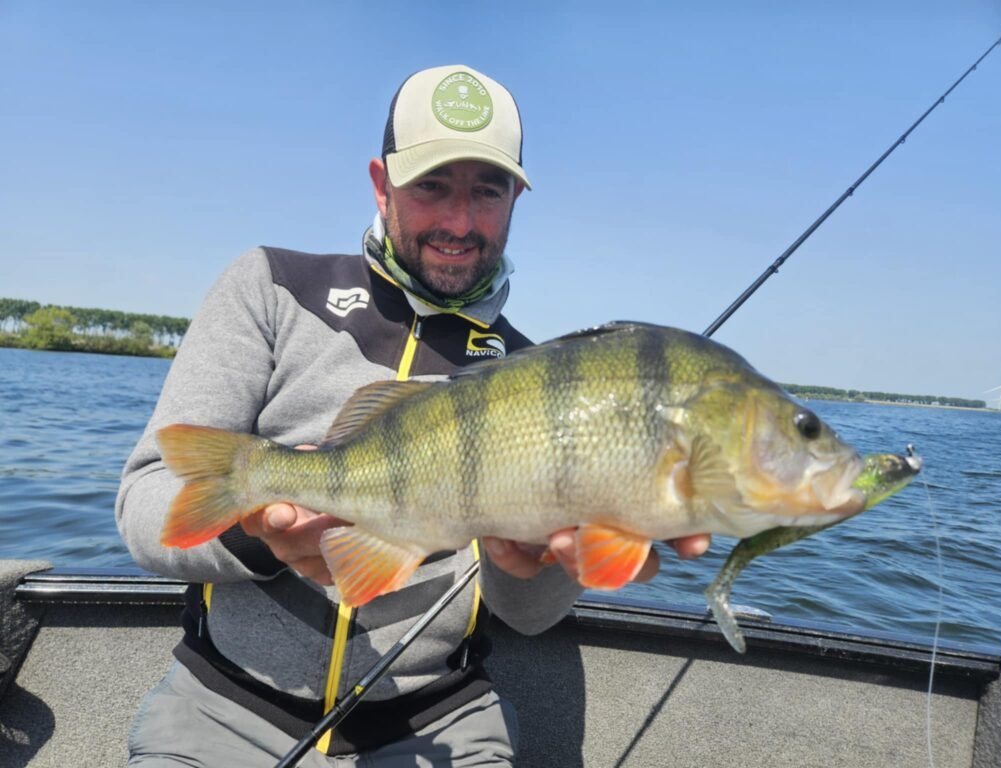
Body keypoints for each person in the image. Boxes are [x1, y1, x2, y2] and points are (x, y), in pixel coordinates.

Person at [116, 63, 710, 767]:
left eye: (486, 191)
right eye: (432, 185)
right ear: (381, 182)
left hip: (440, 722)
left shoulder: (535, 374)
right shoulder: (272, 287)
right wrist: (255, 534)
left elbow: (524, 615)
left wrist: (547, 557)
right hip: (222, 711)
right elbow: (146, 506)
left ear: (516, 197)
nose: (459, 222)